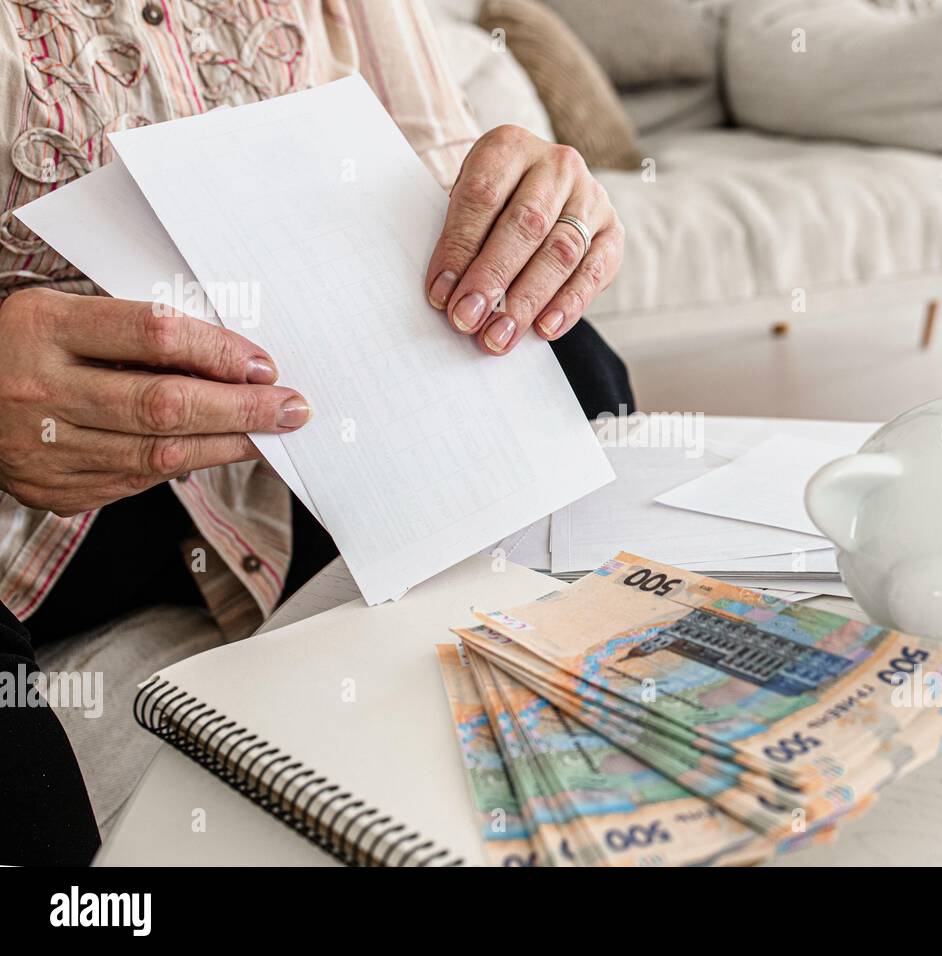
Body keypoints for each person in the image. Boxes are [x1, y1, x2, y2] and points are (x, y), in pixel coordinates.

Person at [0, 0, 632, 865]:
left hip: (280, 431)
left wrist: (525, 213)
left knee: (577, 371)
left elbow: (435, 165)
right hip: (32, 490)